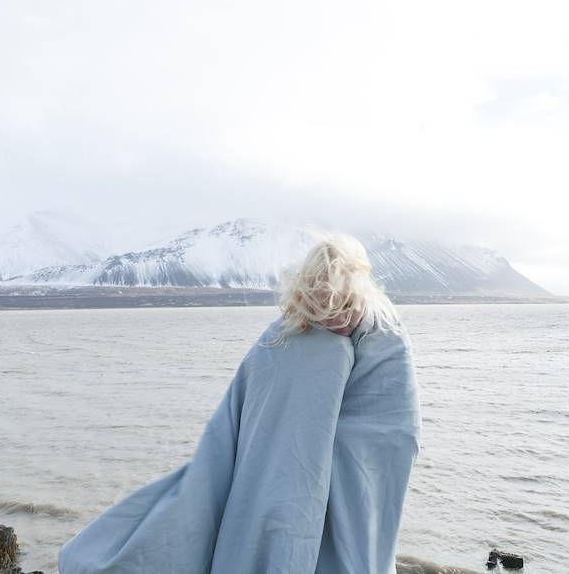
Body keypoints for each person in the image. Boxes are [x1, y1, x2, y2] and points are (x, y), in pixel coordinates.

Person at [57, 233, 421, 574]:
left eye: (342, 307)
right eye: (322, 308)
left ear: (358, 294)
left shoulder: (384, 334)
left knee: (350, 526)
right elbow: (254, 401)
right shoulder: (289, 335)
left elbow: (392, 427)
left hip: (339, 455)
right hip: (275, 461)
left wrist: (328, 448)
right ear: (305, 297)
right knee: (224, 510)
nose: (335, 320)